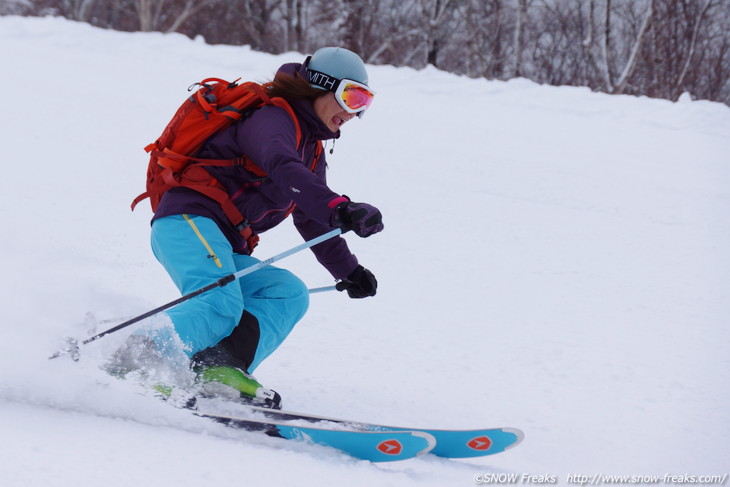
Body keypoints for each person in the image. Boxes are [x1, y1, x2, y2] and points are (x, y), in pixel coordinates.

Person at [111, 47, 383, 408]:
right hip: (188, 221)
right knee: (218, 303)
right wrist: (340, 207)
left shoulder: (311, 149)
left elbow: (311, 217)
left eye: (364, 102)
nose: (355, 112)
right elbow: (282, 166)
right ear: (321, 86)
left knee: (286, 292)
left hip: (223, 240)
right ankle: (128, 359)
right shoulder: (272, 117)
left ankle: (219, 366)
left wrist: (350, 271)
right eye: (351, 96)